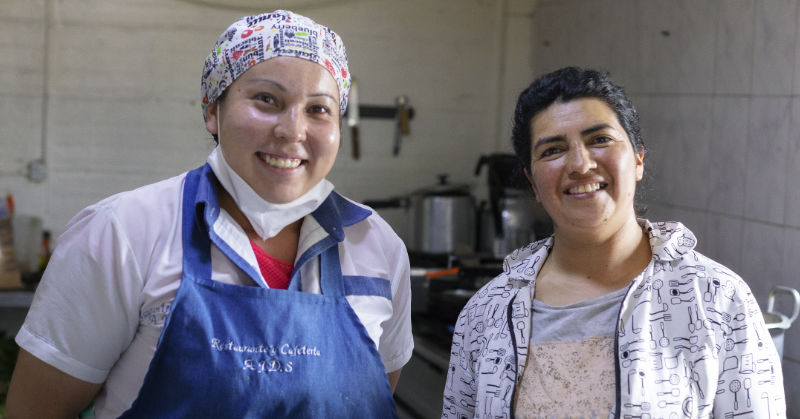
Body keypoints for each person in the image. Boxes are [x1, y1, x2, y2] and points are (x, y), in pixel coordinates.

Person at [7, 10, 412, 418]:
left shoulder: (377, 247)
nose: (293, 130)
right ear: (212, 112)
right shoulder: (122, 233)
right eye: (266, 99)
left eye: (319, 109)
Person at [442, 67, 785, 418]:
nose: (580, 164)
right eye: (553, 150)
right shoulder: (486, 314)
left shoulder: (717, 299)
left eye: (600, 140)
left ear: (638, 159)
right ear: (532, 184)